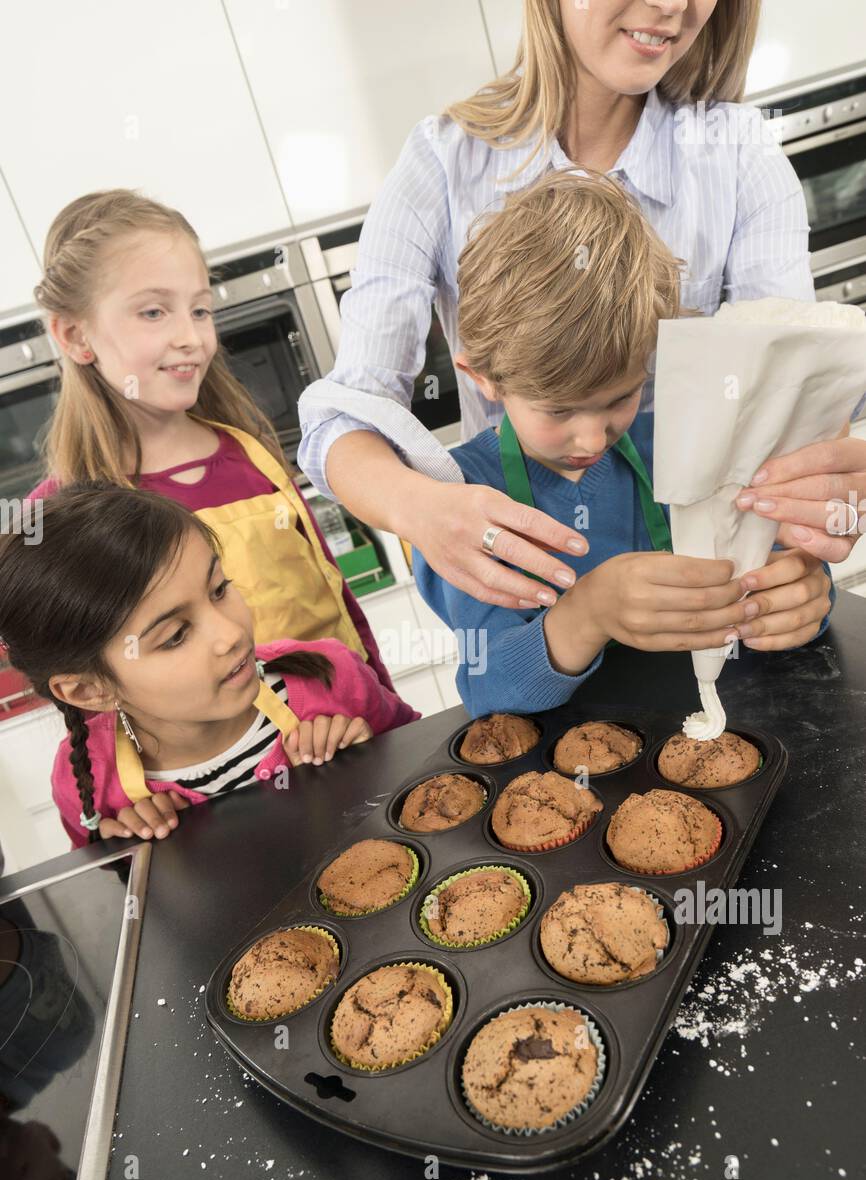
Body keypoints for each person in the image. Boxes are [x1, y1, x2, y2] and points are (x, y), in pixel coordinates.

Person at [298, 0, 866, 612]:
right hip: (541, 609)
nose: (674, 5)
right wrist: (424, 510)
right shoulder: (443, 164)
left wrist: (805, 549)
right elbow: (345, 415)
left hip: (725, 593)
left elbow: (793, 402)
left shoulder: (739, 154)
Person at [414, 171, 832, 715]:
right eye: (559, 409)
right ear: (483, 378)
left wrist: (801, 598)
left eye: (620, 397)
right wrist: (589, 613)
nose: (591, 437)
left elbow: (781, 571)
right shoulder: (460, 500)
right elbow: (489, 692)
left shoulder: (686, 445)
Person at [28, 189, 394, 691]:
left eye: (200, 310)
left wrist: (384, 705)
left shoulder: (251, 453)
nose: (192, 337)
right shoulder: (62, 517)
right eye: (154, 312)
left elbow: (341, 610)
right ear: (75, 337)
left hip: (358, 734)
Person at [0, 486, 417, 847]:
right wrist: (125, 849)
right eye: (176, 635)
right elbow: (108, 891)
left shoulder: (332, 677)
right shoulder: (87, 779)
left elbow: (425, 760)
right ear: (89, 691)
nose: (230, 634)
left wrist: (370, 756)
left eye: (219, 589)